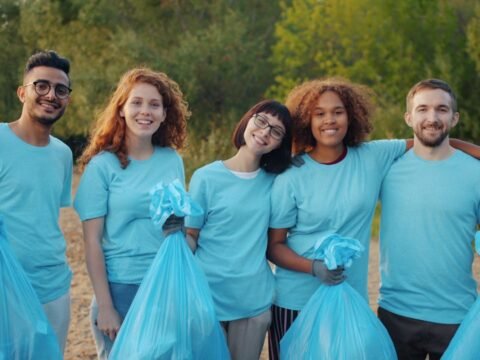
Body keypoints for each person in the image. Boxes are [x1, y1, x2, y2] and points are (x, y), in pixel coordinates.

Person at [265, 77, 480, 360]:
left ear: (351, 116)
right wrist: (313, 267)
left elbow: (428, 138)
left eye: (338, 112)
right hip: (302, 301)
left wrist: (475, 152)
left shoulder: (372, 157)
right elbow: (274, 245)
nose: (329, 120)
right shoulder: (293, 174)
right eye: (319, 113)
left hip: (356, 301)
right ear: (307, 120)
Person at [73, 68, 189, 359]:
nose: (145, 111)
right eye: (136, 102)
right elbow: (92, 242)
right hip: (119, 289)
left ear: (165, 114)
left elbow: (179, 229)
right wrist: (106, 306)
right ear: (121, 109)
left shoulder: (171, 160)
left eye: (154, 104)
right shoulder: (102, 166)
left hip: (164, 287)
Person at [377, 79, 480, 360]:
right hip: (395, 313)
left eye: (441, 109)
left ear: (454, 118)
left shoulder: (476, 173)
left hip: (457, 317)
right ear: (409, 117)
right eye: (422, 109)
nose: (432, 118)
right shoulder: (386, 168)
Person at [185, 100, 293, 360]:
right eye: (261, 121)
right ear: (248, 120)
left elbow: (276, 239)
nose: (265, 132)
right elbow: (191, 236)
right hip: (206, 297)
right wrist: (175, 239)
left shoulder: (277, 183)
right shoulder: (206, 177)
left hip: (252, 301)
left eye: (276, 131)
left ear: (280, 143)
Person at [0, 50, 73, 353]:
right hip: (6, 286)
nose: (51, 95)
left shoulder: (62, 154)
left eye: (60, 89)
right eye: (41, 86)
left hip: (54, 284)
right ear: (22, 93)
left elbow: (46, 215)